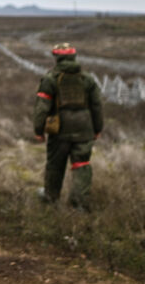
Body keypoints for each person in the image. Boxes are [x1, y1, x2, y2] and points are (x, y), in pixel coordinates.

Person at [33, 43, 103, 211]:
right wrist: (97, 129)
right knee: (81, 165)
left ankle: (51, 197)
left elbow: (42, 107)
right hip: (84, 129)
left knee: (55, 165)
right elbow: (97, 105)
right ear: (74, 57)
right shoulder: (88, 79)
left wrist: (38, 130)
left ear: (57, 58)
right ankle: (79, 203)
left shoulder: (50, 79)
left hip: (59, 131)